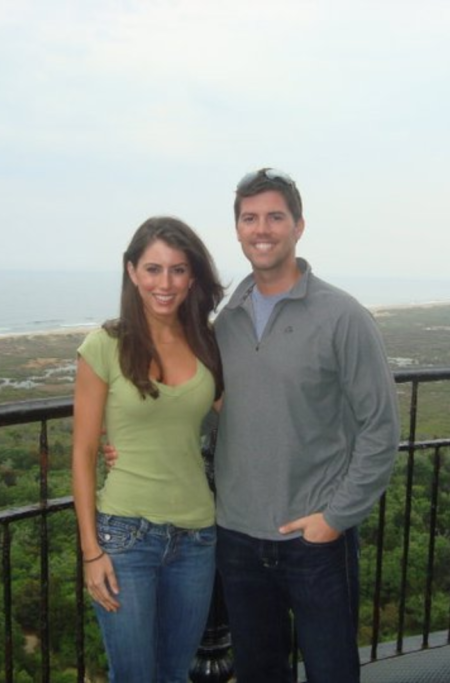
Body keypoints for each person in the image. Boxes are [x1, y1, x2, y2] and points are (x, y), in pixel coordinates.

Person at [212, 168, 400, 682]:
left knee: (332, 671)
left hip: (316, 540)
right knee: (258, 673)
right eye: (250, 218)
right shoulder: (224, 321)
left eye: (275, 216)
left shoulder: (342, 316)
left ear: (298, 226)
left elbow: (381, 430)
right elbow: (208, 413)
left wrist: (334, 519)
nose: (262, 228)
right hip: (238, 538)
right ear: (237, 230)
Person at [72, 215, 225, 682]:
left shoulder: (205, 341)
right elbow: (81, 453)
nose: (166, 282)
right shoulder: (104, 346)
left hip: (197, 537)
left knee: (176, 675)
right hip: (125, 539)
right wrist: (91, 552)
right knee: (135, 675)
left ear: (192, 276)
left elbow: (241, 416)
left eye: (178, 269)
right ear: (132, 271)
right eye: (153, 269)